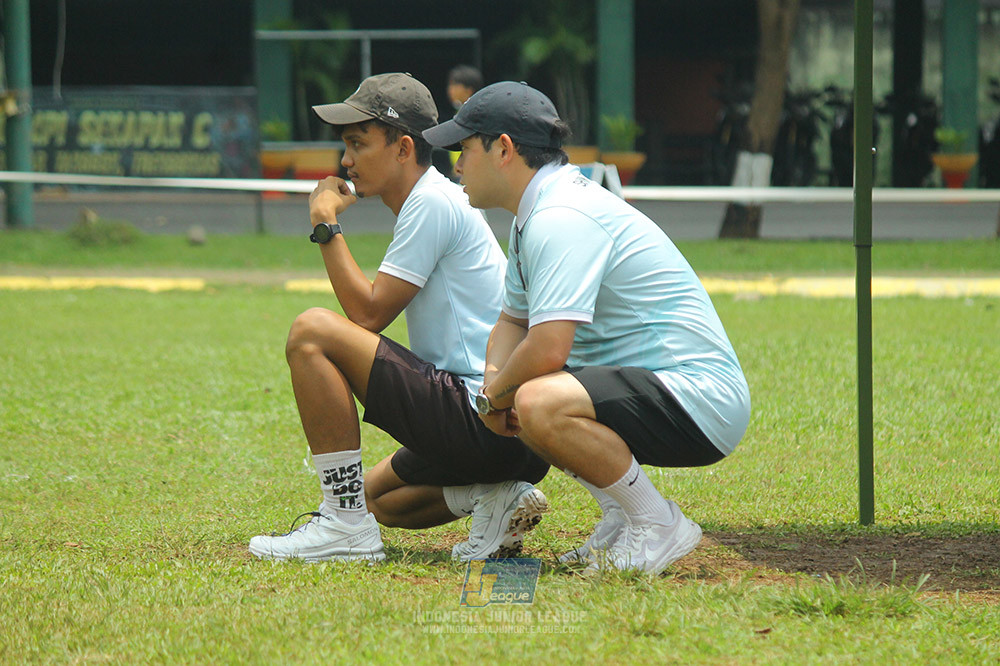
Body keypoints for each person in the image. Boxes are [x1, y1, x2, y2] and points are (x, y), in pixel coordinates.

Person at [423, 82, 751, 575]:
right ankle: (623, 517)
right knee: (526, 392)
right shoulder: (534, 213)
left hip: (702, 399)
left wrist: (498, 397)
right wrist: (494, 385)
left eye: (465, 149)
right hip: (660, 385)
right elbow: (513, 319)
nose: (457, 166)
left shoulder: (560, 216)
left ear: (504, 150)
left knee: (537, 399)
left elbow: (549, 345)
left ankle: (656, 522)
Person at [248, 73, 550, 564]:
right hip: (512, 435)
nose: (345, 161)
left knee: (311, 331)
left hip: (487, 412)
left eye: (357, 143)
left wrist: (325, 223)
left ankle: (343, 528)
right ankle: (492, 497)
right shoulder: (435, 199)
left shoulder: (431, 201)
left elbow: (366, 316)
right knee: (377, 498)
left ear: (403, 148)